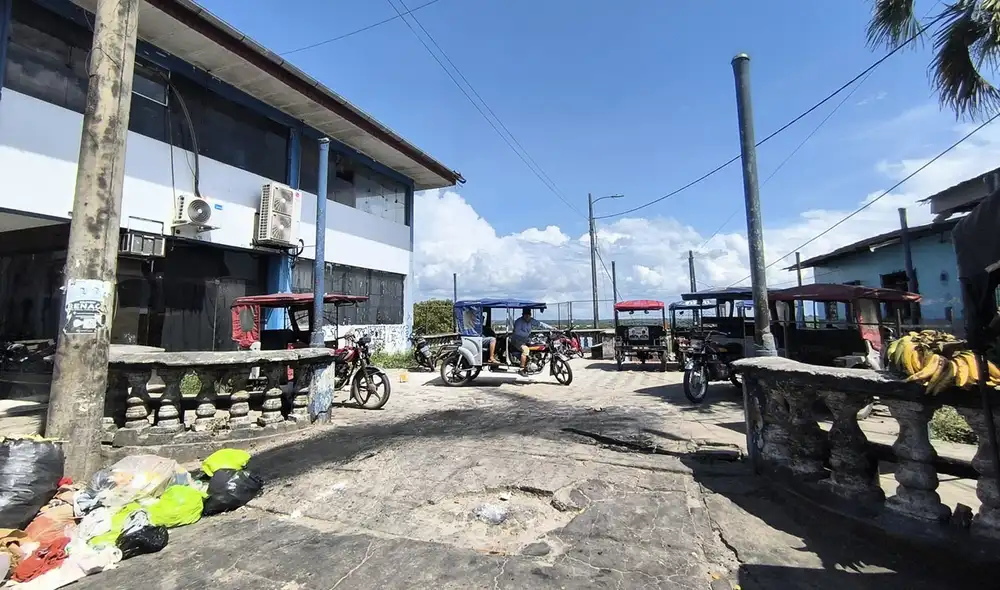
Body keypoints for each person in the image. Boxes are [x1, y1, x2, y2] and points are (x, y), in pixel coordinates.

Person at [511, 307, 548, 375]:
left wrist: (552, 328)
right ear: (523, 315)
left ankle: (533, 361)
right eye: (526, 315)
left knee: (539, 344)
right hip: (517, 340)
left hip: (526, 339)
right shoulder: (518, 321)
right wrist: (528, 335)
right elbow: (517, 332)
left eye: (529, 315)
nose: (527, 317)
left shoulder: (531, 320)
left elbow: (540, 324)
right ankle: (522, 369)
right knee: (525, 350)